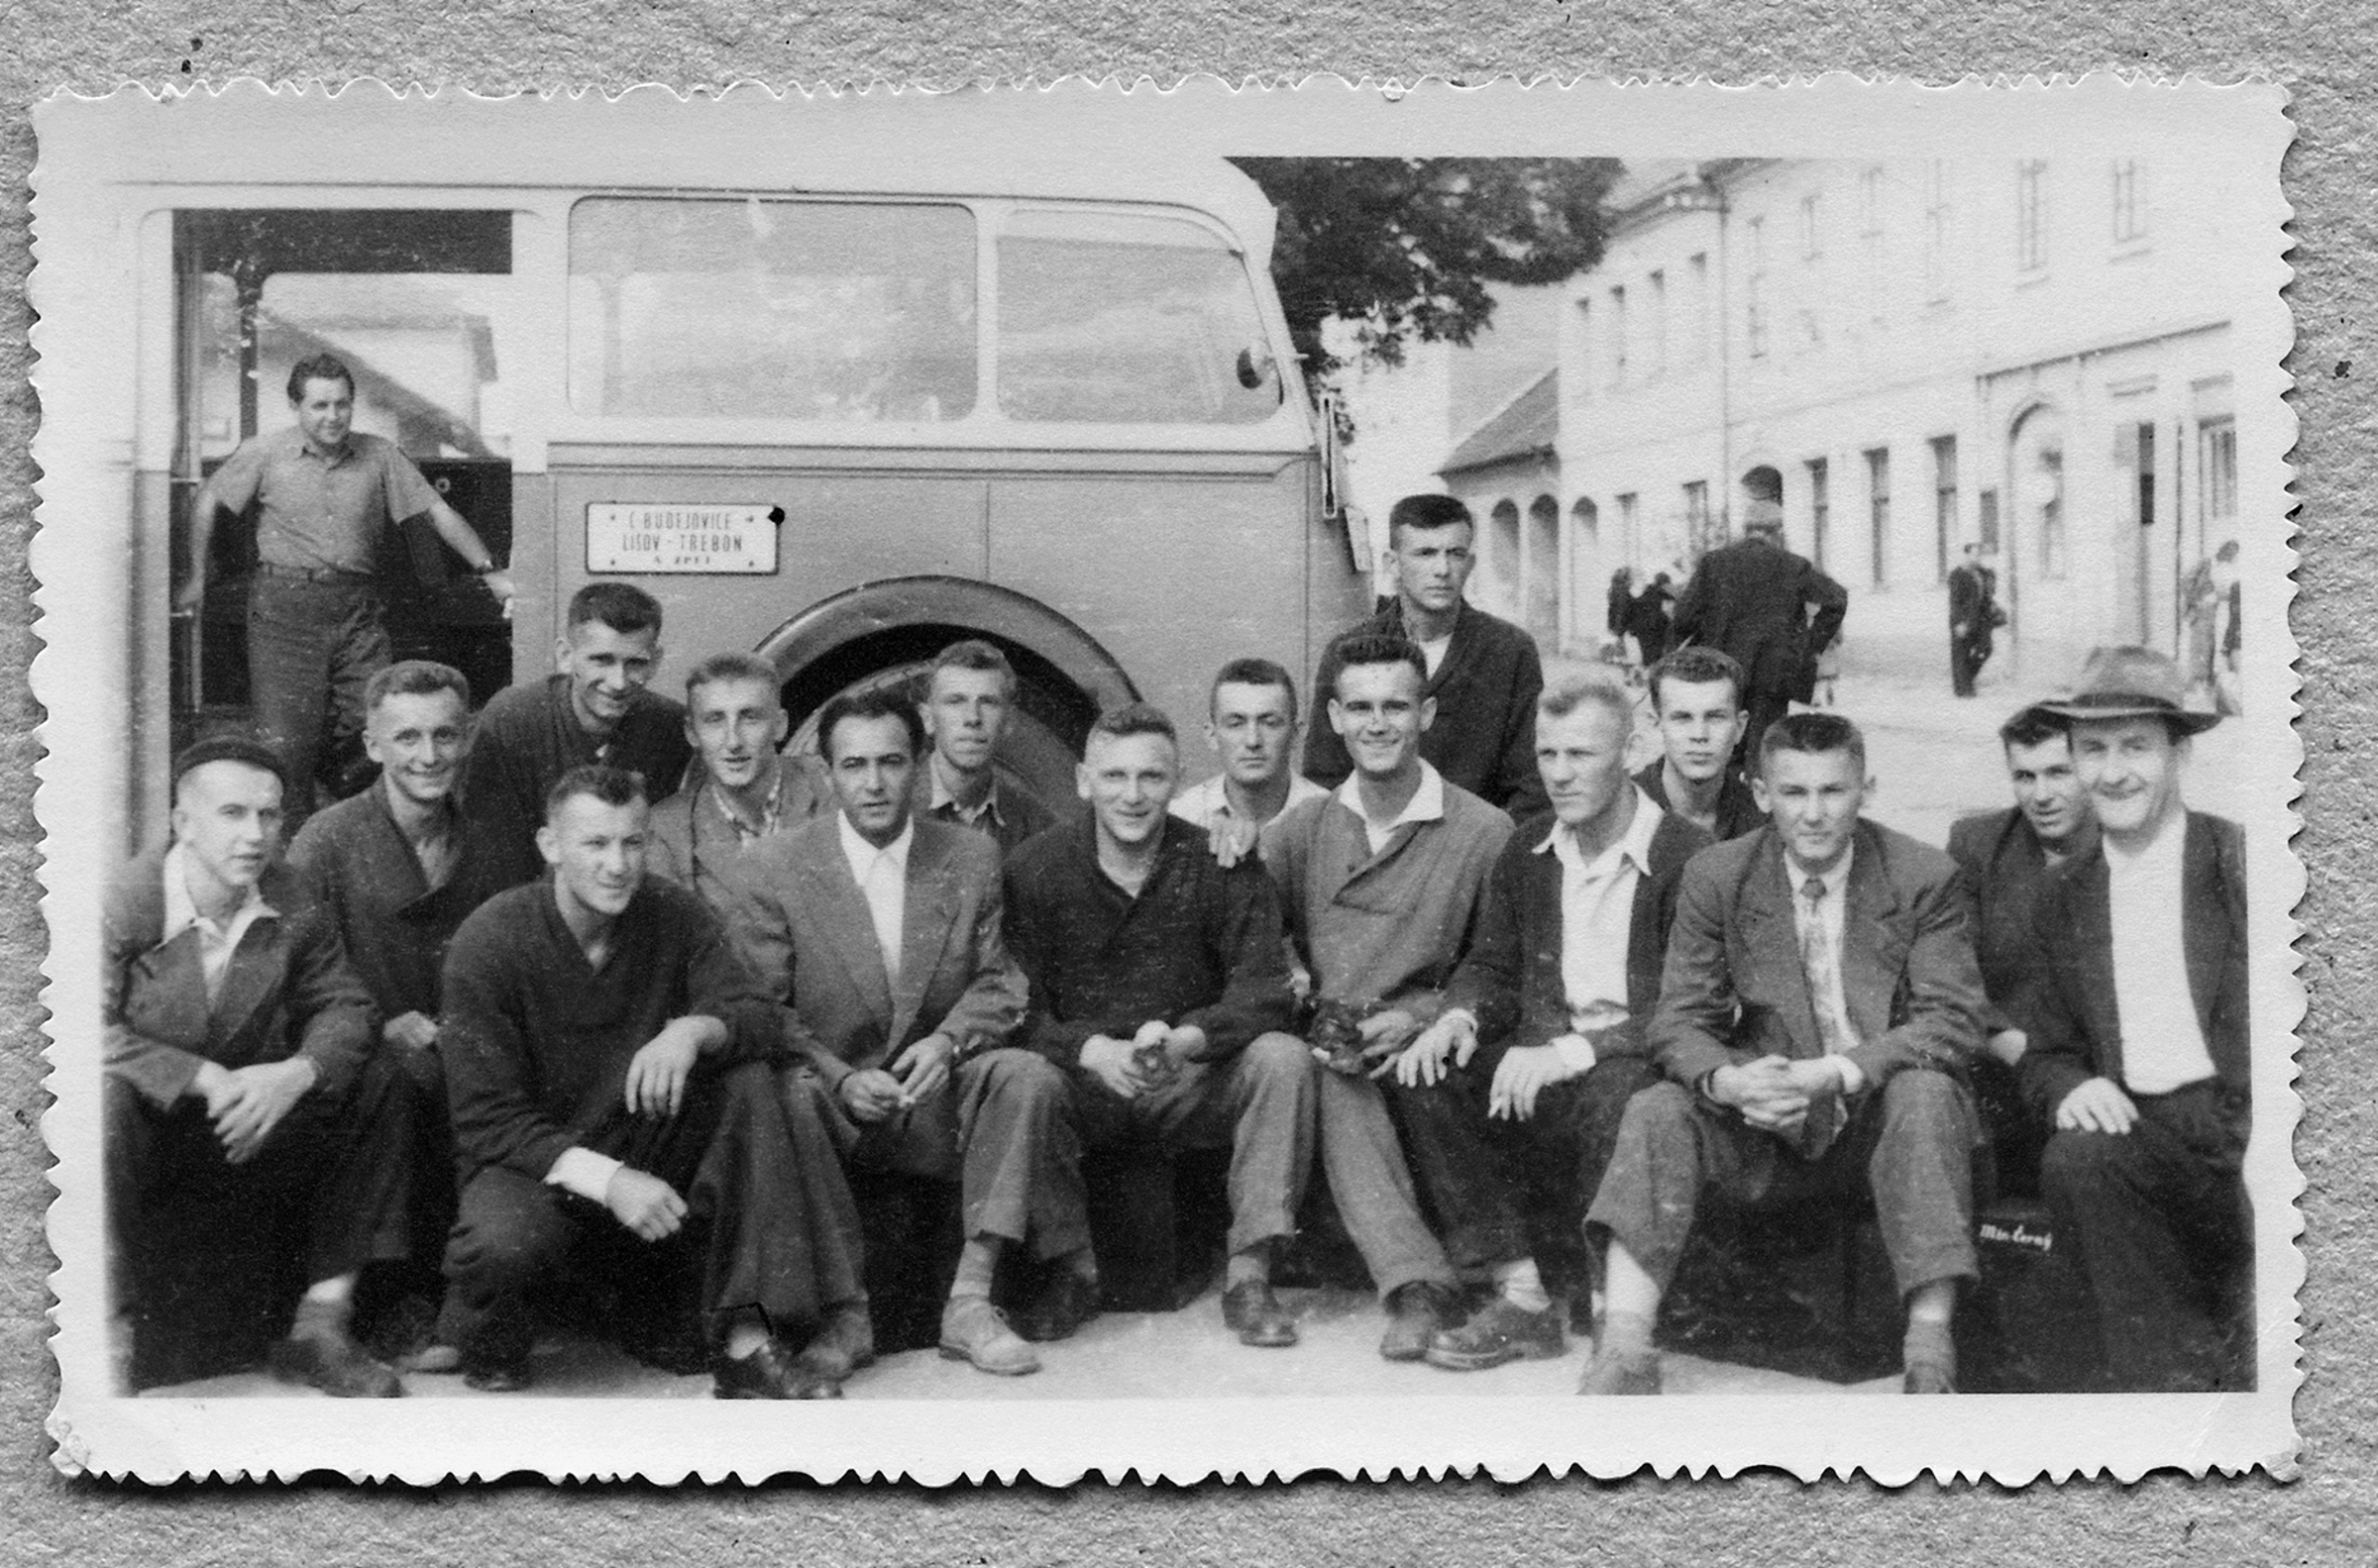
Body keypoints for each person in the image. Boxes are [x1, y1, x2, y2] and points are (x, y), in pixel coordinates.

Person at [1580, 713, 1989, 1396]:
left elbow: (1952, 1019)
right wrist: (1731, 1081)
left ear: (1866, 790)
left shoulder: (1922, 875)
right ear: (1762, 793)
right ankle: (1624, 1349)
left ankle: (1929, 1354)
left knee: (1926, 1091)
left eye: (1833, 791)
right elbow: (1679, 1018)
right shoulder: (1719, 874)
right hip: (1763, 1121)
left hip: (1874, 1121)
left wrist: (1834, 1073)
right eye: (1794, 792)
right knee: (1657, 1107)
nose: (1814, 813)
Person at [438, 765, 870, 1399]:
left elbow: (760, 1017)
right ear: (550, 846)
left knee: (751, 1081)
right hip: (537, 1166)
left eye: (632, 842)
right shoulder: (491, 939)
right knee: (503, 1247)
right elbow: (486, 1121)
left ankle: (746, 1338)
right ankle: (498, 1335)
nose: (617, 865)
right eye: (595, 844)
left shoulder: (672, 912)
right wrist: (611, 1181)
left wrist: (694, 1029)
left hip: (645, 1147)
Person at [716, 688, 1079, 1378]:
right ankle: (848, 1314)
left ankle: (970, 1301)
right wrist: (840, 1077)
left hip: (937, 1093)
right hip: (834, 1100)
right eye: (854, 765)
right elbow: (762, 1007)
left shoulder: (969, 855)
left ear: (919, 763)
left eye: (891, 761)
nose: (874, 783)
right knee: (787, 1090)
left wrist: (948, 1042)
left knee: (1026, 1075)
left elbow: (1000, 982)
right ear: (827, 773)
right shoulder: (774, 866)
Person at [1382, 670, 1710, 1371]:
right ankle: (1522, 1293)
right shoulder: (1529, 848)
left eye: (1581, 754)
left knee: (1620, 1093)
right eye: (1548, 754)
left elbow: (1686, 1010)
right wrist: (1458, 1017)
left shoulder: (1688, 858)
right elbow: (1492, 964)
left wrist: (1571, 1052)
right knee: (1426, 1069)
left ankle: (1611, 1308)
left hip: (1634, 1062)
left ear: (1630, 750)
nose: (1560, 774)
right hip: (1543, 1058)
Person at [104, 736, 412, 1396]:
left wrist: (294, 1074)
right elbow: (64, 1029)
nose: (255, 834)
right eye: (232, 813)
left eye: (269, 815)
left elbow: (347, 1004)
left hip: (252, 1127)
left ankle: (320, 1326)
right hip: (157, 1139)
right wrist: (200, 1076)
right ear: (183, 822)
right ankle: (111, 1328)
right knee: (103, 1099)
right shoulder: (124, 900)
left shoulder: (288, 894)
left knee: (377, 1073)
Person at [1004, 703, 1313, 1348]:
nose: (1133, 794)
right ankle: (1073, 1270)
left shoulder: (1219, 861)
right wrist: (1090, 1050)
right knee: (1024, 1077)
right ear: (1084, 780)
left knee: (1281, 1058)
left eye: (1151, 776)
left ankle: (1249, 1276)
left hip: (1187, 1078)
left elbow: (1266, 990)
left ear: (1177, 781)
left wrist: (1189, 1040)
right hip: (1085, 1084)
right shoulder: (1035, 868)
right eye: (1114, 776)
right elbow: (1012, 1005)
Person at [1260, 634, 1514, 1361]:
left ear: (1425, 714)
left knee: (1351, 1074)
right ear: (1334, 719)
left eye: (1395, 707)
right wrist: (1298, 981)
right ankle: (1418, 1283)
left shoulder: (1483, 831)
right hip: (1333, 1042)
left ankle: (1422, 1283)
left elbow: (1498, 964)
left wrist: (1421, 1016)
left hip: (1425, 1043)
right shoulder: (1301, 831)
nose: (1377, 724)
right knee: (1328, 1070)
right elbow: (1262, 937)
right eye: (1360, 707)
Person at [2015, 648, 2252, 1391]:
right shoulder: (2066, 892)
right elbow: (2046, 1050)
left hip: (2256, 1131)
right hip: (2149, 1139)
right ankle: (2175, 1393)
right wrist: (2070, 1086)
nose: (2113, 773)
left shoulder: (2242, 863)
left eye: (2136, 747)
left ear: (2179, 754)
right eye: (2093, 750)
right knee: (2078, 1156)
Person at [174, 354, 517, 822]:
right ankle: (294, 849)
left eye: (342, 404)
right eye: (320, 406)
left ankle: (359, 831)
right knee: (286, 746)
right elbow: (206, 501)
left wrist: (490, 571)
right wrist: (197, 575)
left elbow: (438, 514)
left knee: (382, 724)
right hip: (283, 613)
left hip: (357, 611)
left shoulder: (380, 455)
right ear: (296, 407)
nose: (333, 416)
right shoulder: (266, 452)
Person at [283, 661, 504, 1370]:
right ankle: (386, 1300)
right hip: (360, 1068)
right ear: (373, 744)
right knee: (396, 1079)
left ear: (466, 737)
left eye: (445, 735)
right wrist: (378, 1024)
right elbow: (293, 977)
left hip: (460, 1056)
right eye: (407, 737)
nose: (429, 755)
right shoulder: (326, 841)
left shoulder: (488, 843)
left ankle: (481, 1303)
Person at [1304, 494, 1550, 818]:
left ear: (1470, 563)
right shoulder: (1348, 651)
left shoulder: (1509, 650)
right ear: (1392, 563)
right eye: (1425, 553)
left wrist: (1493, 841)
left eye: (1455, 554)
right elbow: (1324, 776)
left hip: (1479, 840)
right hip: (1374, 839)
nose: (1442, 569)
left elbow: (1532, 780)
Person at [1944, 705, 2100, 1194]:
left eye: (2059, 773)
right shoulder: (1978, 845)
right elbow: (1950, 968)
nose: (2041, 795)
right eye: (2025, 777)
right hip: (2001, 1060)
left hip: (2095, 1071)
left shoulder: (2127, 843)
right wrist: (2007, 1042)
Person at [461, 581, 692, 890]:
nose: (618, 682)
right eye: (602, 660)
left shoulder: (669, 726)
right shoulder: (512, 720)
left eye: (635, 663)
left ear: (656, 661)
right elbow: (492, 860)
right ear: (566, 655)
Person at [1670, 515, 1848, 769]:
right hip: (1775, 671)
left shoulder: (1714, 562)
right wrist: (1811, 646)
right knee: (1764, 746)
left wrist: (1689, 646)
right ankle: (1757, 788)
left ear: (1746, 530)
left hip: (1722, 669)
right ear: (1777, 532)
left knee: (1723, 740)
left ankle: (1728, 790)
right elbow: (1836, 600)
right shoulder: (1794, 565)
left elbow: (1684, 617)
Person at [647, 653, 808, 908]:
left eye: (750, 717)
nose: (733, 741)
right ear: (692, 733)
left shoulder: (828, 789)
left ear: (780, 725)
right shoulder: (666, 830)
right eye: (715, 720)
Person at [1167, 657, 1331, 864]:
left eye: (1269, 723)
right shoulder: (1181, 816)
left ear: (1296, 734)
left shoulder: (1330, 816)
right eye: (1236, 724)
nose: (1253, 741)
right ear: (1211, 735)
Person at [917, 640, 1059, 858]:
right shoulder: (891, 805)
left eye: (988, 702)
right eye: (955, 701)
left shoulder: (1039, 824)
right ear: (928, 719)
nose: (973, 718)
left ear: (1009, 721)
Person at [1633, 648, 1766, 843]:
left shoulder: (1762, 820)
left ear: (1740, 727)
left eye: (1715, 717)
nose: (1699, 735)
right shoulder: (1622, 810)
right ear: (1657, 724)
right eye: (1682, 718)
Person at [1948, 543, 1998, 698]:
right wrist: (1959, 623)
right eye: (1974, 555)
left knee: (1985, 649)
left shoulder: (1983, 573)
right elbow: (1955, 602)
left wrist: (1991, 573)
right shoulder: (1957, 574)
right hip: (1962, 620)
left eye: (1979, 555)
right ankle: (1964, 690)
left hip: (1981, 619)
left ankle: (1966, 680)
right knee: (1961, 654)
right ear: (1967, 555)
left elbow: (1989, 593)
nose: (1977, 558)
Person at [1626, 571, 1676, 671]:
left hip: (1641, 629)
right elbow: (1673, 598)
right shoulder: (1660, 591)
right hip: (1655, 628)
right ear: (1664, 583)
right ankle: (1654, 674)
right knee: (1657, 656)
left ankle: (1648, 673)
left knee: (1647, 656)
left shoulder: (1645, 592)